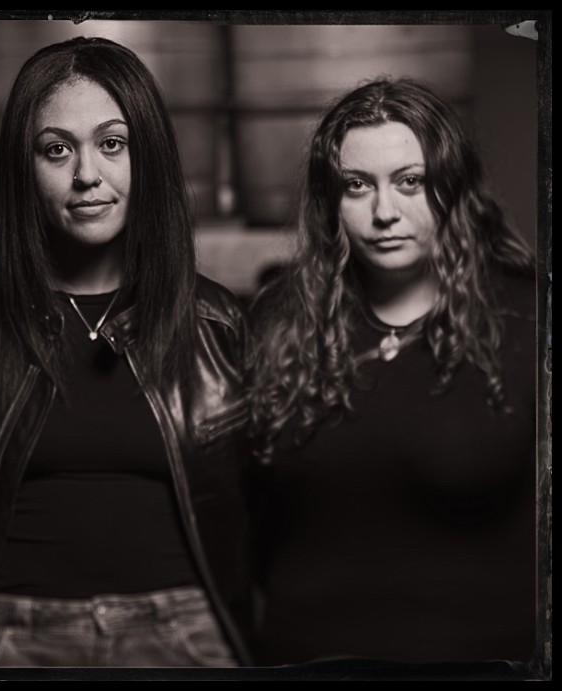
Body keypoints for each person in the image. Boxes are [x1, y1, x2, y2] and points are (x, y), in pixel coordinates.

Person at [0, 37, 254, 667]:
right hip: (6, 638)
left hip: (185, 634)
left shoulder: (215, 323)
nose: (87, 174)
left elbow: (266, 509)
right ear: (22, 168)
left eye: (112, 144)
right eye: (57, 150)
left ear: (149, 156)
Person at [246, 78, 537, 665]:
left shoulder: (528, 317)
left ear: (451, 187)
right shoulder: (276, 320)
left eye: (411, 182)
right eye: (357, 186)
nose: (384, 212)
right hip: (303, 661)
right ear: (331, 200)